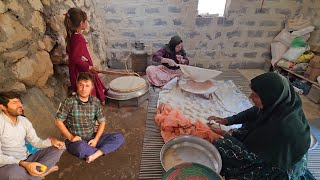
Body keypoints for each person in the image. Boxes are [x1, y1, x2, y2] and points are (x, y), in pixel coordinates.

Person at [207, 72, 312, 179]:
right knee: (237, 133)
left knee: (221, 147)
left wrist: (223, 133)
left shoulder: (281, 128)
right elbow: (254, 112)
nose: (250, 97)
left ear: (270, 98)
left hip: (278, 166)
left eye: (255, 95)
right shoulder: (282, 103)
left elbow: (252, 155)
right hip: (273, 147)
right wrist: (226, 120)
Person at [55, 72, 124, 163]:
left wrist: (96, 139)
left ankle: (95, 154)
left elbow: (102, 122)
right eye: (81, 85)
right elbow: (58, 120)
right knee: (79, 148)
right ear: (77, 85)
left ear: (92, 87)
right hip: (76, 141)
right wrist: (71, 137)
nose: (84, 89)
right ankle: (101, 150)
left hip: (92, 138)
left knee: (119, 137)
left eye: (87, 85)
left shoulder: (95, 102)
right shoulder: (69, 102)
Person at [0, 92, 65, 179]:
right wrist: (23, 164)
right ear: (3, 107)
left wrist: (52, 142)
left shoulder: (24, 121)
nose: (20, 105)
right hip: (9, 165)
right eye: (14, 103)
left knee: (58, 148)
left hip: (27, 159)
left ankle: (35, 173)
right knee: (12, 173)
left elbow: (36, 142)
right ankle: (38, 174)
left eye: (19, 102)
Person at [64, 8, 107, 104]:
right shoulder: (78, 39)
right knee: (87, 90)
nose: (86, 23)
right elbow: (76, 59)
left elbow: (74, 54)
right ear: (81, 23)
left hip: (78, 70)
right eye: (85, 21)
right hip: (81, 71)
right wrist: (88, 67)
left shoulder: (73, 36)